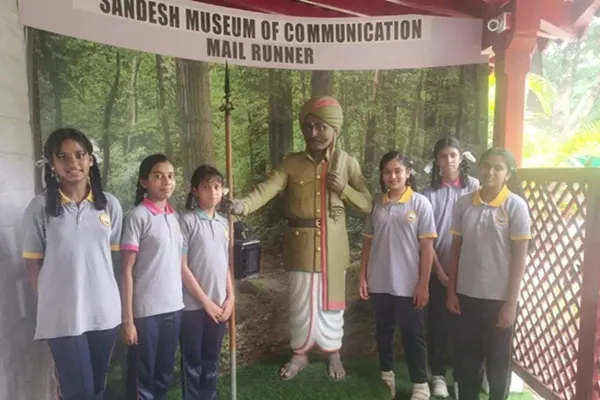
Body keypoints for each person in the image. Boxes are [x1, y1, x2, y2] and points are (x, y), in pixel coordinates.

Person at [225, 96, 372, 380]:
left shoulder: (347, 163)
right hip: (300, 244)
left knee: (332, 302)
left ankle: (333, 352)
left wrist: (344, 189)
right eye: (308, 126)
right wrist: (242, 205)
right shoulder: (291, 163)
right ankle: (300, 353)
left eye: (320, 127)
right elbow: (267, 188)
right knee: (301, 300)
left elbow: (367, 204)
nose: (313, 133)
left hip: (334, 246)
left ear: (334, 129)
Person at [21, 128, 122, 400]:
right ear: (51, 165)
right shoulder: (40, 207)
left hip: (104, 313)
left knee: (97, 389)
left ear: (91, 160)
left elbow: (112, 259)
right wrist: (51, 304)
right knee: (79, 392)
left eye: (79, 155)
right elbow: (33, 265)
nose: (73, 163)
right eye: (63, 157)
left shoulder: (109, 205)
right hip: (63, 316)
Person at [446, 147, 532, 400]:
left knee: (497, 364)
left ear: (508, 174)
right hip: (466, 297)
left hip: (499, 301)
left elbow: (519, 259)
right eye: (486, 166)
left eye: (498, 168)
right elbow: (455, 251)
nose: (490, 172)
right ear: (478, 168)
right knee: (466, 362)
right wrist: (451, 292)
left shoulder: (515, 206)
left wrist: (511, 304)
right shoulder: (463, 204)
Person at [359, 151, 437, 400]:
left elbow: (427, 248)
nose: (392, 176)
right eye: (387, 172)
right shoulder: (377, 204)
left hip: (409, 284)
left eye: (397, 171)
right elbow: (368, 243)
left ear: (408, 172)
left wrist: (423, 284)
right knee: (383, 331)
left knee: (413, 334)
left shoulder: (420, 204)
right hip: (379, 282)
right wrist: (363, 277)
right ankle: (386, 376)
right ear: (382, 175)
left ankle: (420, 385)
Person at [120, 154, 184, 400]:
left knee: (164, 375)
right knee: (142, 379)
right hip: (146, 313)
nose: (166, 181)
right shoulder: (137, 217)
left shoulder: (174, 217)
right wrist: (128, 320)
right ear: (144, 182)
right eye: (158, 176)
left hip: (174, 308)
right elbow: (126, 270)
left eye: (170, 176)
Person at [421, 137, 479, 398]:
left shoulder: (474, 187)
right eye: (443, 156)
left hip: (468, 271)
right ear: (436, 160)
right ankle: (438, 375)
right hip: (438, 270)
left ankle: (462, 377)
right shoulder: (428, 194)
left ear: (461, 157)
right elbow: (426, 238)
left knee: (465, 327)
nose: (449, 161)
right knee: (438, 325)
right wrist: (440, 273)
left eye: (453, 155)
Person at [179, 165, 234, 400]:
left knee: (211, 360)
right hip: (192, 307)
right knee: (193, 362)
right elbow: (182, 267)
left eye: (217, 186)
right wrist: (205, 303)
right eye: (206, 187)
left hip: (220, 305)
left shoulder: (224, 223)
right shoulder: (186, 221)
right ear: (195, 191)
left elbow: (225, 264)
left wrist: (230, 298)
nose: (213, 192)